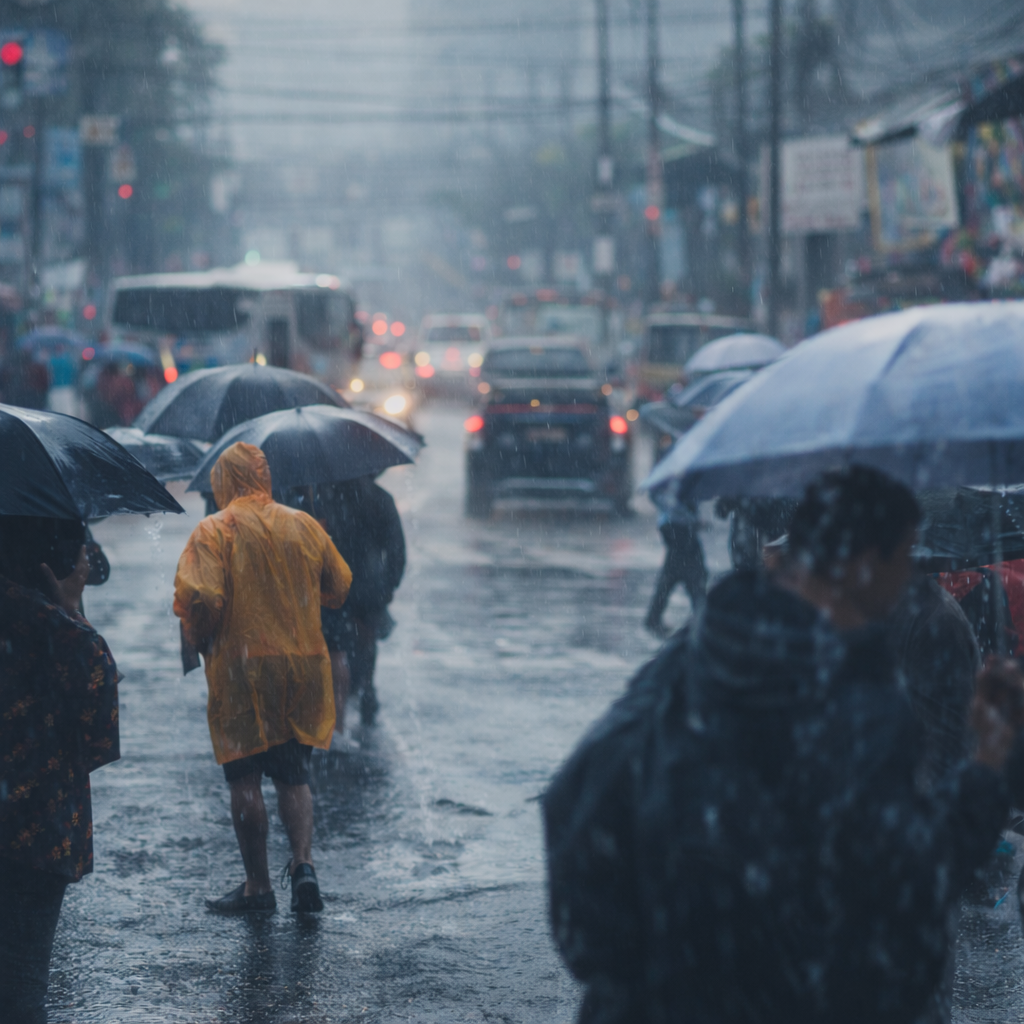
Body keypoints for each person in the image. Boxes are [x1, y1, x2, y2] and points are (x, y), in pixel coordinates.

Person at [545, 465, 1024, 1024]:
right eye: (900, 562)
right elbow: (912, 866)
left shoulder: (693, 654)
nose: (911, 580)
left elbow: (576, 815)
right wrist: (992, 761)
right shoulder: (846, 697)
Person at [173, 442, 352, 915]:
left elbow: (203, 599)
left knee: (245, 775)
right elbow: (339, 586)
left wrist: (199, 634)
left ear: (222, 480)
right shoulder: (303, 524)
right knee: (294, 776)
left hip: (242, 669)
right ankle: (304, 865)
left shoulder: (214, 530)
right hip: (301, 667)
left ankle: (257, 887)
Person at [0, 516, 120, 1024]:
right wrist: (71, 613)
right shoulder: (66, 637)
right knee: (22, 985)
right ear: (51, 564)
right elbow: (98, 739)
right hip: (38, 831)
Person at [308, 476, 406, 728]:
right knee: (365, 641)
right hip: (368, 586)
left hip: (333, 583)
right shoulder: (380, 498)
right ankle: (366, 688)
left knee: (334, 650)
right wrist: (387, 588)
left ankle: (335, 716)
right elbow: (397, 551)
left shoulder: (322, 495)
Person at [644, 480, 707, 637]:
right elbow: (673, 505)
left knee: (676, 576)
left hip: (677, 530)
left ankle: (654, 618)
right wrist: (693, 520)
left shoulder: (680, 479)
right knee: (693, 578)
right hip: (679, 531)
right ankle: (703, 619)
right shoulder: (679, 480)